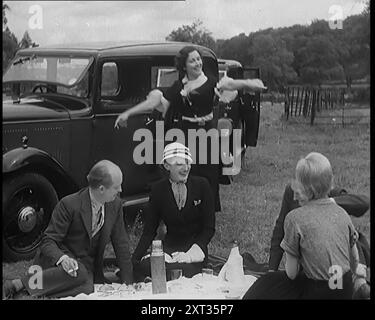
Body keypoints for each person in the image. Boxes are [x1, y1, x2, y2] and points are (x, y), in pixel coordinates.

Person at [114, 45, 266, 212]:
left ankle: (206, 214)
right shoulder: (178, 86)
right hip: (184, 135)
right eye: (192, 60)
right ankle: (184, 211)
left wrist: (252, 83)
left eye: (198, 59)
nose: (197, 63)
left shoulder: (212, 81)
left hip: (206, 135)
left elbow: (236, 84)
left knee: (207, 176)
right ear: (184, 66)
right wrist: (128, 113)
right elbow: (155, 102)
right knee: (185, 173)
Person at [3, 160, 133, 299]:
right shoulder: (69, 204)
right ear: (101, 189)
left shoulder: (115, 205)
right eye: (116, 187)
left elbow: (121, 243)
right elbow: (48, 241)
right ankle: (19, 284)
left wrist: (128, 284)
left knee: (88, 286)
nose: (120, 190)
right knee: (83, 276)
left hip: (86, 269)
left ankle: (34, 289)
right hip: (58, 263)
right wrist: (62, 259)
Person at [243, 152, 360, 299]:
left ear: (304, 187)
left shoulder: (295, 218)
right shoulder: (342, 213)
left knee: (266, 283)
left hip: (317, 291)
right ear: (330, 182)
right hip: (345, 287)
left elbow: (291, 274)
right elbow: (354, 258)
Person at [268, 182, 370, 298]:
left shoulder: (326, 192)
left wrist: (329, 203)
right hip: (311, 266)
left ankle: (359, 284)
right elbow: (279, 230)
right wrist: (272, 269)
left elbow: (363, 203)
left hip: (340, 265)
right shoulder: (292, 193)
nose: (297, 197)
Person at [132, 142, 215, 281]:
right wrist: (134, 260)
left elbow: (209, 228)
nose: (186, 168)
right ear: (166, 166)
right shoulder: (158, 189)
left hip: (193, 250)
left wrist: (191, 254)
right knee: (145, 267)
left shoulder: (202, 185)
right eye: (179, 164)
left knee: (184, 271)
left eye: (188, 163)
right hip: (170, 249)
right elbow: (149, 231)